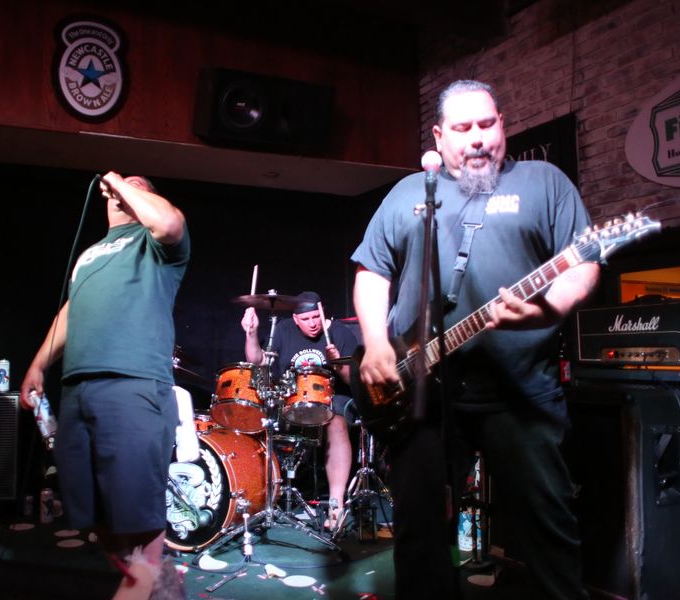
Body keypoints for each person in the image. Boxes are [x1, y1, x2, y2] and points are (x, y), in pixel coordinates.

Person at [351, 80, 599, 599]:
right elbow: (372, 272)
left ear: (502, 124)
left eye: (487, 124)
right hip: (422, 394)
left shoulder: (543, 183)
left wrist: (548, 307)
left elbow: (582, 263)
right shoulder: (409, 192)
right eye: (463, 128)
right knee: (420, 533)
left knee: (547, 526)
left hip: (520, 389)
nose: (478, 138)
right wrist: (375, 341)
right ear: (439, 137)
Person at [20, 172, 189, 600]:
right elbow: (71, 310)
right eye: (118, 186)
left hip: (132, 382)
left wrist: (118, 179)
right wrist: (38, 364)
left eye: (138, 185)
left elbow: (168, 223)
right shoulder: (90, 254)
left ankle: (146, 577)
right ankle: (153, 582)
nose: (122, 188)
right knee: (93, 508)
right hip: (77, 386)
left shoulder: (154, 243)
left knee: (138, 508)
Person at [241, 291, 358, 530]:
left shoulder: (340, 333)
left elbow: (352, 380)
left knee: (337, 421)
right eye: (306, 319)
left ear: (322, 312)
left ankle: (336, 504)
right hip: (291, 397)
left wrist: (337, 362)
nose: (313, 323)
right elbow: (258, 361)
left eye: (316, 317)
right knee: (261, 416)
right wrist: (251, 333)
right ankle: (261, 497)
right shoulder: (283, 330)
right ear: (296, 319)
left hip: (332, 397)